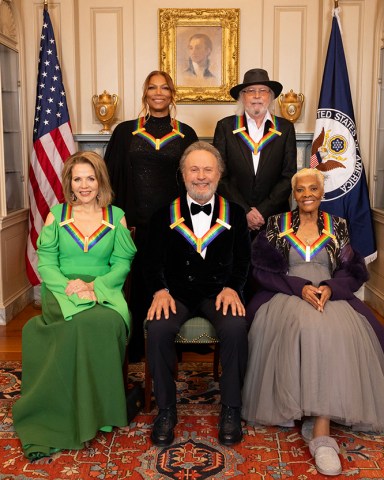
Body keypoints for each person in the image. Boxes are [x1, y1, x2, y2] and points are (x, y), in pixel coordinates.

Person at [242, 168, 384, 476]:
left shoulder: (339, 226)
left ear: (322, 193)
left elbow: (353, 271)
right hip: (286, 294)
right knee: (305, 327)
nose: (307, 194)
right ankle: (296, 408)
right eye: (301, 190)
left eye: (313, 189)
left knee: (336, 331)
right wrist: (299, 287)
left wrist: (331, 288)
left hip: (328, 294)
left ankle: (321, 432)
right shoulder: (276, 224)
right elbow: (261, 271)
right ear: (294, 194)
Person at [12, 151, 137, 460]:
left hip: (104, 290)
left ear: (100, 181)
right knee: (78, 324)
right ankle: (63, 411)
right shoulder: (58, 214)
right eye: (78, 179)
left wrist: (96, 286)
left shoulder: (116, 216)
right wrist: (68, 286)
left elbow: (122, 263)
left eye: (90, 178)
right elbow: (47, 262)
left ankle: (97, 410)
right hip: (62, 291)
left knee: (104, 323)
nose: (84, 185)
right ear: (69, 182)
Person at [144, 141, 251, 447]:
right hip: (175, 293)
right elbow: (150, 263)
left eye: (207, 169)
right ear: (183, 173)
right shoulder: (162, 215)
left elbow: (244, 259)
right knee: (159, 327)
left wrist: (233, 287)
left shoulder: (236, 214)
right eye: (194, 169)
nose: (201, 176)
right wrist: (159, 290)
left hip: (218, 292)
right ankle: (166, 410)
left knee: (235, 326)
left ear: (219, 174)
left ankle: (231, 407)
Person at [104, 70, 198, 361]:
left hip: (174, 226)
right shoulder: (125, 132)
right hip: (133, 225)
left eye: (165, 88)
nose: (159, 93)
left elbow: (196, 182)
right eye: (152, 88)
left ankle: (168, 344)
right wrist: (118, 218)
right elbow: (110, 179)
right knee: (135, 285)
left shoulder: (186, 134)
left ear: (173, 94)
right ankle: (133, 347)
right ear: (145, 94)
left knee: (170, 282)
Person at [213, 68, 297, 237]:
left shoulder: (286, 128)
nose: (257, 96)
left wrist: (262, 211)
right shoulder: (225, 127)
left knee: (271, 264)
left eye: (263, 91)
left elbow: (288, 176)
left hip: (274, 218)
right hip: (234, 217)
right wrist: (245, 211)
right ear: (242, 96)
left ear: (270, 96)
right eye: (250, 91)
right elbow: (219, 175)